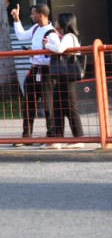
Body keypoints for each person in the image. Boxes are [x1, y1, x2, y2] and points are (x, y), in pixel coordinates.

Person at [11, 3, 60, 146]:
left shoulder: (52, 33)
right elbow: (20, 36)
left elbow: (53, 57)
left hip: (46, 73)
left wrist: (35, 54)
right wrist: (16, 19)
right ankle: (26, 136)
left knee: (48, 106)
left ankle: (51, 136)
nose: (31, 16)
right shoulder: (35, 28)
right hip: (33, 70)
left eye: (33, 13)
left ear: (41, 14)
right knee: (28, 105)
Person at [45, 12, 85, 149]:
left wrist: (47, 45)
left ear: (64, 22)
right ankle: (57, 138)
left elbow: (59, 49)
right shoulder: (70, 36)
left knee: (69, 107)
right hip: (64, 78)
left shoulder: (69, 36)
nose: (55, 22)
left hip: (67, 78)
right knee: (58, 107)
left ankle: (78, 138)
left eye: (57, 20)